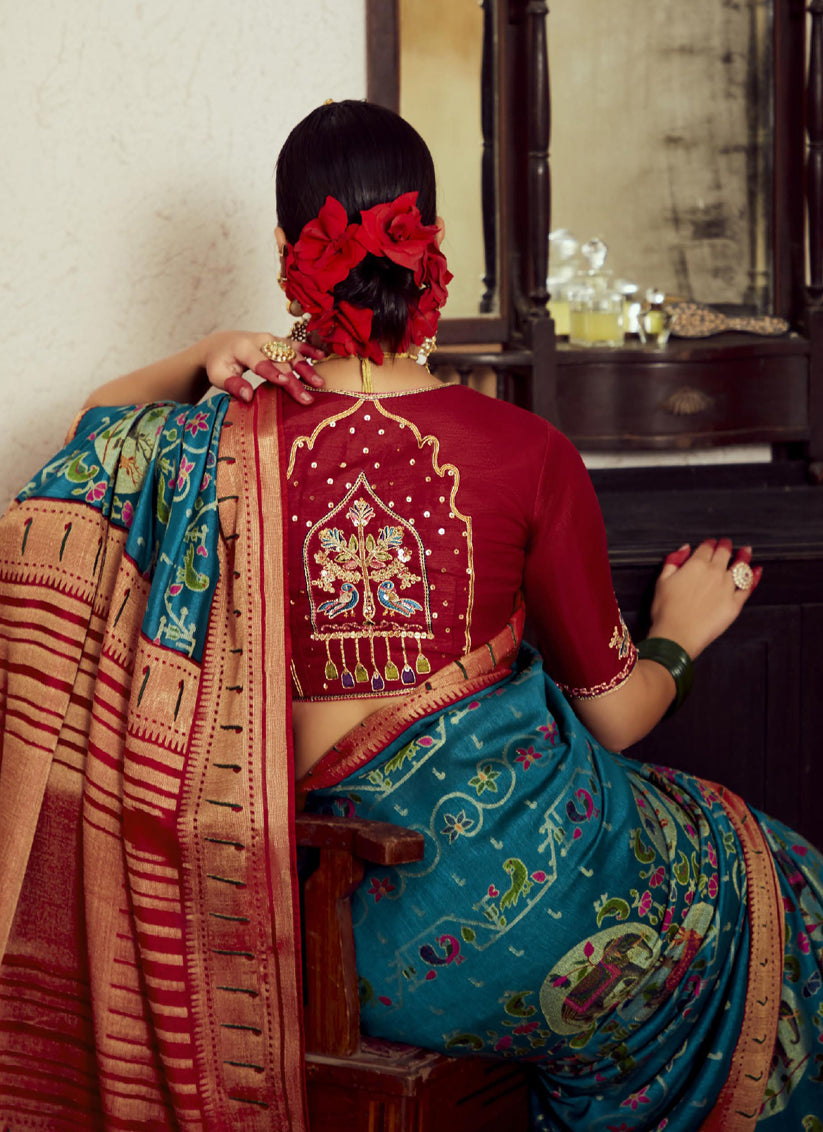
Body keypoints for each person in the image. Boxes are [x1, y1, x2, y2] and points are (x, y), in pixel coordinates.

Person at [0, 100, 820, 1131]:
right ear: (433, 245)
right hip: (541, 925)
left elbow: (94, 432)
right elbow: (615, 717)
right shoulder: (523, 449)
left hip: (295, 937)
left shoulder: (208, 447)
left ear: (288, 250)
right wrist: (678, 635)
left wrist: (206, 349)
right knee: (768, 874)